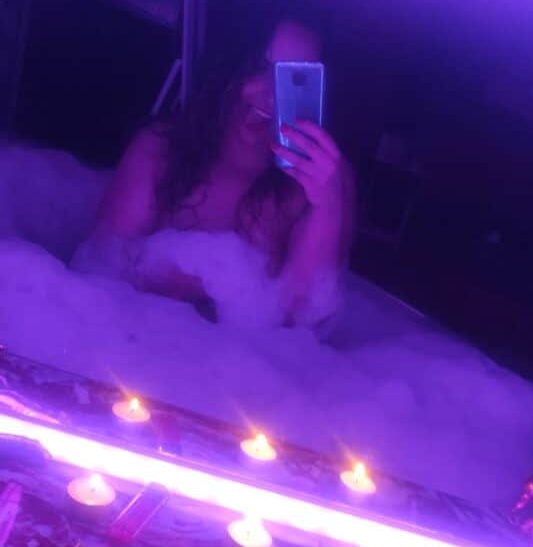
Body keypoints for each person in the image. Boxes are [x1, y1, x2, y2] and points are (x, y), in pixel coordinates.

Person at [74, 17, 355, 326]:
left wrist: (327, 206)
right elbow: (96, 280)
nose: (270, 94)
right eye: (259, 67)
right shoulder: (161, 151)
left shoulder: (323, 186)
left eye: (293, 78)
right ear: (230, 64)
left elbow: (303, 327)